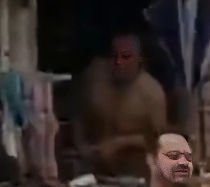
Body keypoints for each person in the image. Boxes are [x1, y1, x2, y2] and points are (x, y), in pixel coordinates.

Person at [72, 33, 167, 178]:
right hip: (93, 170)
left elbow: (159, 142)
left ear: (139, 59)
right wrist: (81, 145)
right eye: (113, 56)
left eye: (126, 57)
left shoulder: (152, 93)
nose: (118, 62)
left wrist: (120, 143)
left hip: (135, 173)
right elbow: (77, 114)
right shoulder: (94, 78)